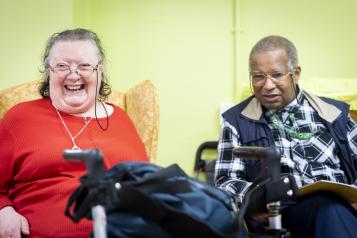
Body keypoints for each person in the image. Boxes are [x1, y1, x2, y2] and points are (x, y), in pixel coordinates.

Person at [0, 28, 149, 238]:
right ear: (49, 72)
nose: (73, 74)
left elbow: (148, 184)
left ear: (99, 72)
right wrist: (3, 211)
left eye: (85, 66)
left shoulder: (122, 119)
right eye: (61, 66)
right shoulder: (20, 118)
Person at [214, 35, 357, 237]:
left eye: (277, 75)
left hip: (343, 206)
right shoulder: (236, 121)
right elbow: (226, 181)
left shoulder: (334, 114)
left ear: (295, 74)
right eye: (258, 76)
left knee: (330, 207)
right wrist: (256, 199)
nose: (268, 85)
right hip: (280, 214)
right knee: (325, 207)